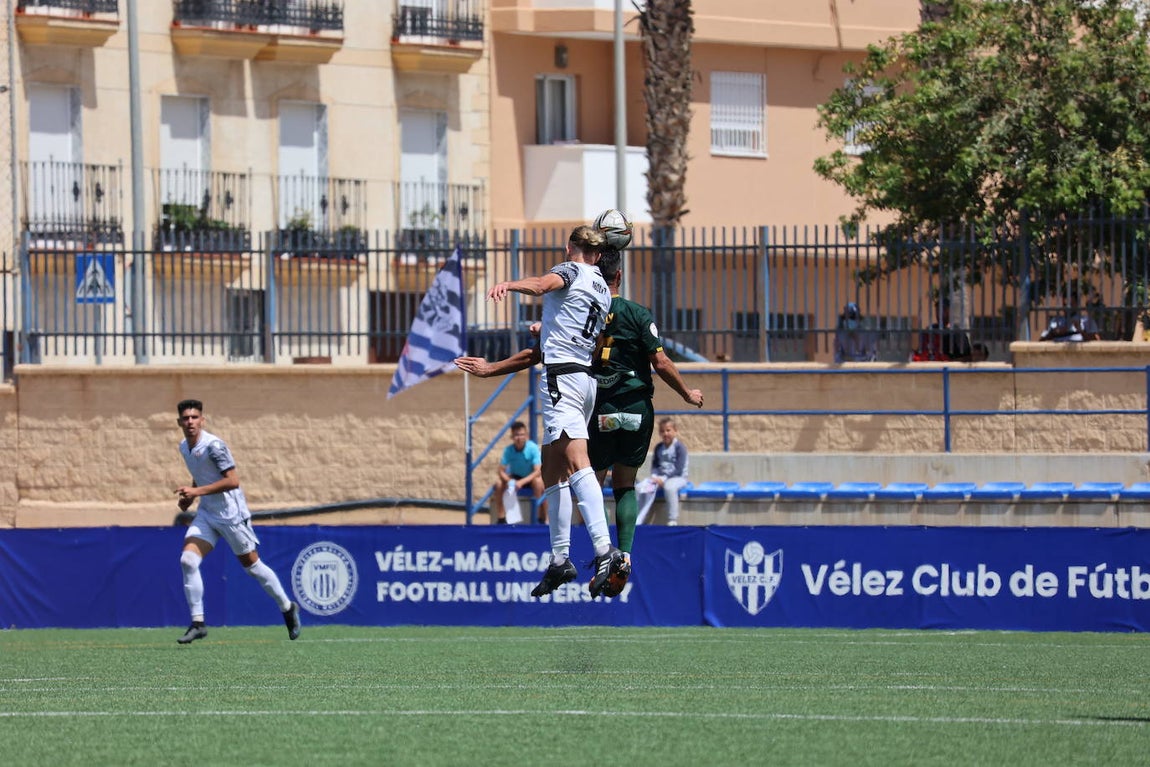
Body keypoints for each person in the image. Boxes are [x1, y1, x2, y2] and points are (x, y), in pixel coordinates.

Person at [482, 226, 623, 598]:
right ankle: (560, 559)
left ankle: (604, 549)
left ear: (570, 249)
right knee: (552, 469)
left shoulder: (571, 271)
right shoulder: (602, 291)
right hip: (581, 380)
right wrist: (545, 329)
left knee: (577, 462)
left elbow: (543, 285)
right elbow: (571, 329)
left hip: (561, 380)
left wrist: (509, 284)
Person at [173, 399, 300, 644]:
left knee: (253, 567)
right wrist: (191, 496)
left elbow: (232, 481)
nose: (190, 422)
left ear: (203, 420)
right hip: (208, 513)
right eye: (186, 418)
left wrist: (196, 492)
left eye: (195, 417)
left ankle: (287, 607)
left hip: (231, 514)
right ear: (179, 422)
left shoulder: (214, 446)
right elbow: (201, 474)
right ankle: (198, 623)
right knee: (187, 560)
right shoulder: (184, 447)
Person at [636, 418, 691, 526]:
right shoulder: (658, 448)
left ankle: (672, 519)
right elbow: (655, 465)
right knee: (641, 487)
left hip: (677, 478)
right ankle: (640, 518)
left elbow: (678, 469)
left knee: (669, 487)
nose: (665, 433)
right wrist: (655, 477)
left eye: (668, 430)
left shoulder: (680, 448)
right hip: (660, 478)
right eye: (662, 431)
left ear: (675, 431)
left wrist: (664, 479)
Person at [491, 420, 546, 524]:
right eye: (516, 435)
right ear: (512, 437)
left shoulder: (533, 448)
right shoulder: (508, 450)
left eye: (522, 434)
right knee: (498, 484)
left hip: (530, 478)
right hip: (515, 477)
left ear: (526, 436)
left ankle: (538, 517)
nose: (519, 437)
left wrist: (521, 482)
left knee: (539, 483)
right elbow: (501, 470)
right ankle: (501, 518)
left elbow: (537, 471)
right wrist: (509, 481)